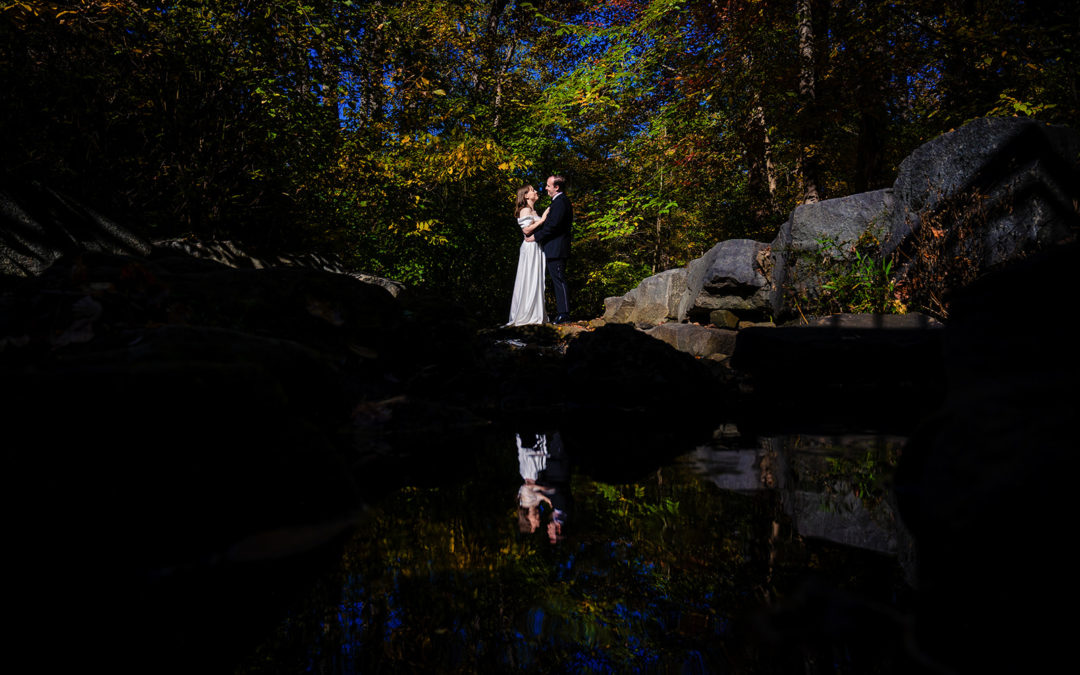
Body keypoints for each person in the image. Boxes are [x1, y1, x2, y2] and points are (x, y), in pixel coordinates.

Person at [530, 175, 572, 323]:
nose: (546, 188)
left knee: (559, 279)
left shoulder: (561, 202)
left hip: (557, 248)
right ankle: (562, 312)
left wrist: (535, 237)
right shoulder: (558, 202)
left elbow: (553, 226)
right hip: (554, 248)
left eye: (548, 186)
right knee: (557, 279)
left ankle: (564, 314)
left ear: (556, 187)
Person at [507, 185, 548, 326]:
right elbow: (526, 230)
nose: (536, 192)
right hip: (530, 248)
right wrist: (542, 220)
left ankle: (536, 312)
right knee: (530, 276)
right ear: (525, 196)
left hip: (536, 246)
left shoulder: (533, 210)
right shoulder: (525, 210)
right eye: (532, 190)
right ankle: (527, 313)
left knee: (536, 277)